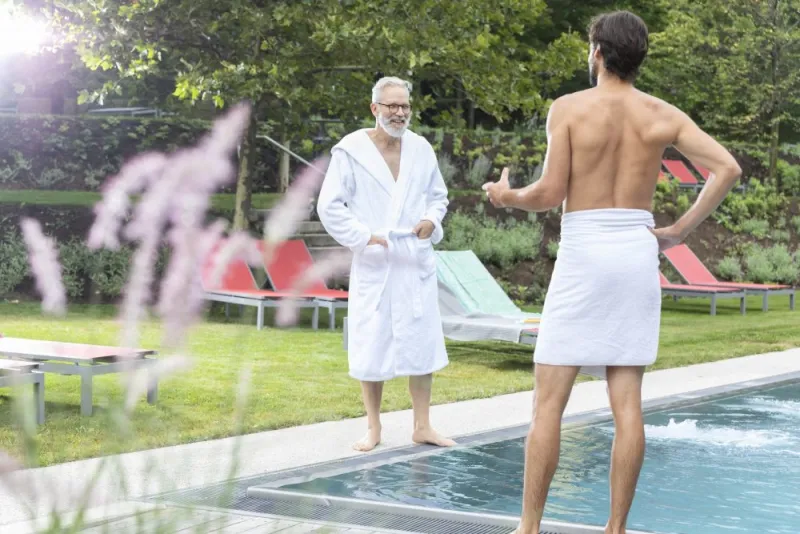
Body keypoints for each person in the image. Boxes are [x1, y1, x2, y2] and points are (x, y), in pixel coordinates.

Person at [482, 10, 742, 534]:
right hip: (634, 253)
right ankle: (616, 528)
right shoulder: (661, 114)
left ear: (597, 51)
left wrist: (506, 195)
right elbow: (728, 168)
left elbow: (550, 193)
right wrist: (680, 230)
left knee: (548, 403)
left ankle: (528, 527)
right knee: (627, 403)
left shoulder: (570, 108)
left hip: (584, 254)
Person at [316, 76, 455, 453]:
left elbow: (438, 196)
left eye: (405, 106)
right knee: (371, 341)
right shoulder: (350, 151)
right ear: (374, 108)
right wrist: (363, 237)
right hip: (376, 258)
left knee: (421, 341)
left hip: (413, 258)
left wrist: (431, 221)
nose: (399, 112)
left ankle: (422, 425)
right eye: (392, 105)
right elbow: (328, 206)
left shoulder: (421, 149)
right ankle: (373, 427)